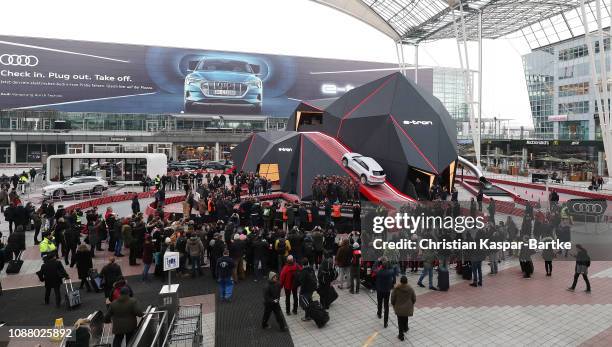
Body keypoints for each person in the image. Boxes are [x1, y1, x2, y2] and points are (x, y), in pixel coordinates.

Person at [391, 276, 416, 341]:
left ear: (400, 282)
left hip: (399, 308)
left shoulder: (396, 289)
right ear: (407, 281)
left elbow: (393, 298)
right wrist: (411, 304)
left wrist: (393, 304)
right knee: (405, 317)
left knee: (400, 321)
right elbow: (414, 298)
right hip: (407, 308)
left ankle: (401, 335)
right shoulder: (410, 289)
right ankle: (406, 328)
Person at [375, 260, 396, 328]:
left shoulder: (378, 272)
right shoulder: (390, 272)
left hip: (379, 290)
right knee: (386, 306)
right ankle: (385, 322)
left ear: (382, 266)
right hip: (387, 291)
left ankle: (379, 313)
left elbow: (373, 268)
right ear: (387, 266)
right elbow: (392, 269)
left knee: (379, 302)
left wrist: (377, 261)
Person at [297, 257, 317, 322]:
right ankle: (310, 315)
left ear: (302, 264)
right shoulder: (311, 269)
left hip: (305, 290)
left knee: (305, 303)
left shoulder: (303, 272)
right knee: (310, 300)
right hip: (311, 288)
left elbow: (301, 281)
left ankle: (307, 316)